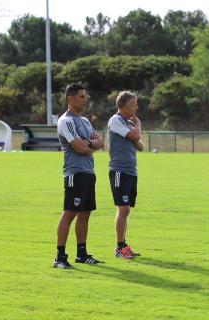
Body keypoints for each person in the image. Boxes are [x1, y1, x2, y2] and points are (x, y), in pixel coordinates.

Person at [54, 83, 104, 269]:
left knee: (85, 214)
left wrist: (88, 143)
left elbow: (99, 142)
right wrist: (90, 145)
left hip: (89, 173)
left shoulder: (85, 121)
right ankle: (59, 257)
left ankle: (81, 254)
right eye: (82, 96)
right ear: (71, 99)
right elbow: (80, 148)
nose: (85, 99)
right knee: (69, 213)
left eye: (85, 96)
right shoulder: (66, 121)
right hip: (74, 173)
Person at [107, 91, 144, 259]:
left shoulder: (127, 123)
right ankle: (119, 248)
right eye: (134, 104)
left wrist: (134, 127)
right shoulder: (116, 120)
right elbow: (137, 136)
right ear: (125, 106)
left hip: (130, 170)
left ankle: (123, 246)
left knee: (126, 210)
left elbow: (140, 146)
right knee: (123, 209)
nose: (137, 107)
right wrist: (138, 124)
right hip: (119, 170)